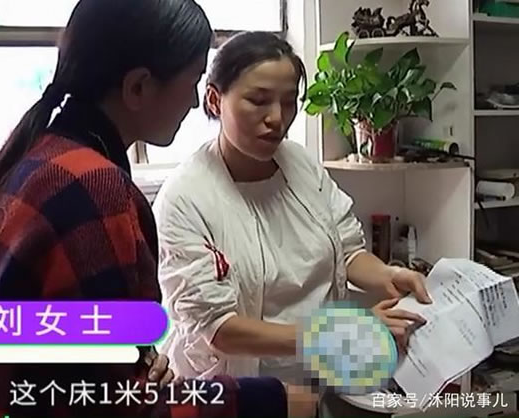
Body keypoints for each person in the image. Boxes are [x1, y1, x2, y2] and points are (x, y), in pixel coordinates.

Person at [0, 2, 318, 417]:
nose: (193, 103)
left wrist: (137, 363)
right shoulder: (92, 189)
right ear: (138, 88)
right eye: (191, 82)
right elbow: (117, 406)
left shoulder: (47, 158)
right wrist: (268, 399)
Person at [153, 31, 432, 383]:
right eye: (258, 100)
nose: (277, 118)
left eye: (288, 102)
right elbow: (219, 328)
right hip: (243, 388)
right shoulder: (185, 199)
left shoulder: (300, 163)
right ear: (214, 99)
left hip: (322, 371)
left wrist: (388, 275)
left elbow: (347, 250)